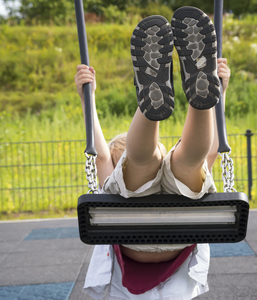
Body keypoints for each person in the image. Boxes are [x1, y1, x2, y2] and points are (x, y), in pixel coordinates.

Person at [74, 6, 231, 300]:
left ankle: (156, 105)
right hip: (179, 232)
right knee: (188, 163)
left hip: (135, 238)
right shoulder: (126, 168)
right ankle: (198, 102)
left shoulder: (114, 169)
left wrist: (88, 99)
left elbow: (100, 154)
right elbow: (211, 150)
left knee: (148, 166)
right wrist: (218, 95)